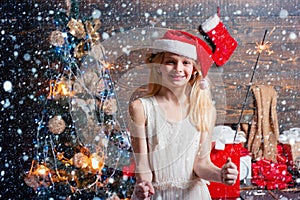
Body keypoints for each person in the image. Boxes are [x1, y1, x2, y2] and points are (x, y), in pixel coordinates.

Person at [129, 14, 238, 200]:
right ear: (159, 67)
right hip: (157, 195)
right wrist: (143, 184)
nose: (179, 68)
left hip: (192, 195)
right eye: (171, 61)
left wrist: (220, 174)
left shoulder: (205, 111)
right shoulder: (141, 108)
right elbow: (143, 164)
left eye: (186, 63)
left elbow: (201, 164)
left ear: (194, 70)